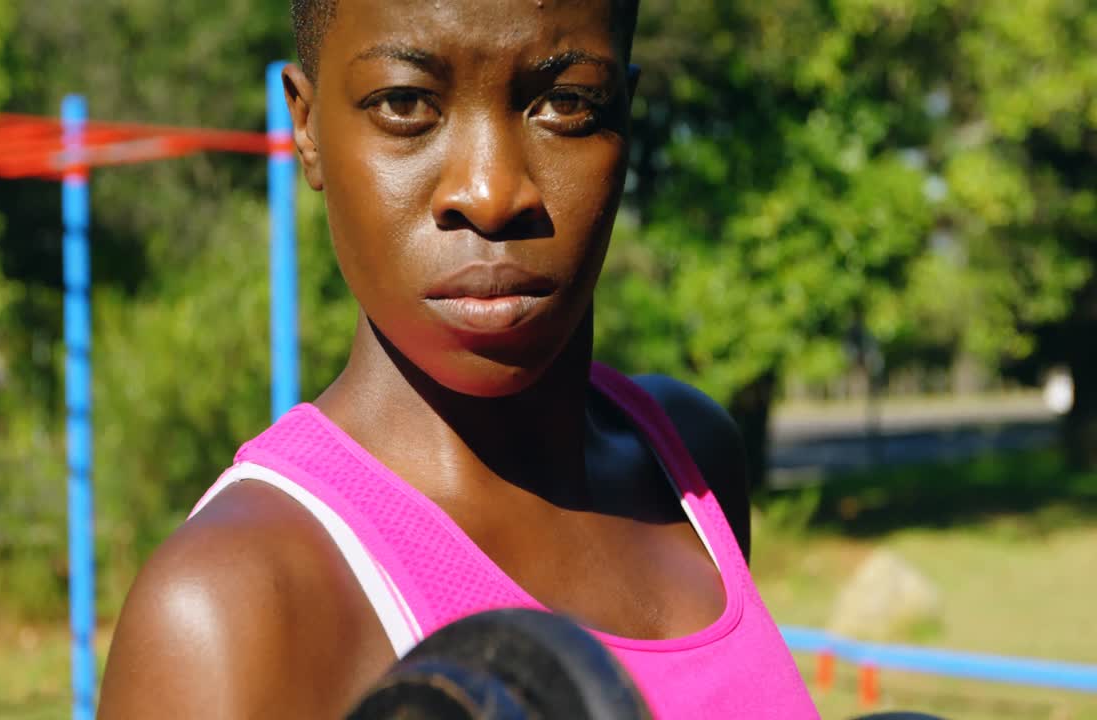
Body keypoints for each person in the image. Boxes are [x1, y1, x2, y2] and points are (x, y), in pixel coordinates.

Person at [98, 0, 818, 717]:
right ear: (308, 128)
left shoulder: (688, 466)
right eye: (405, 103)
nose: (492, 193)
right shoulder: (232, 605)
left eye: (566, 103)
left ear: (625, 112)